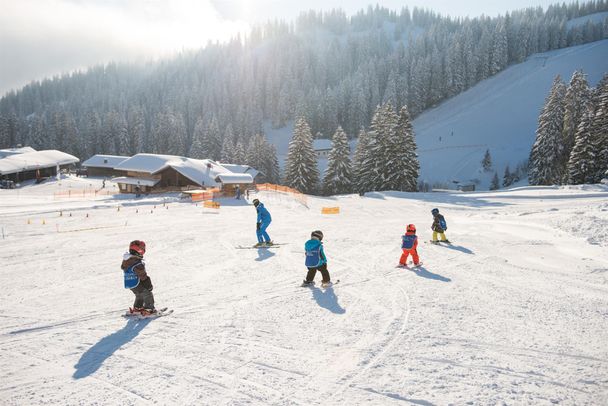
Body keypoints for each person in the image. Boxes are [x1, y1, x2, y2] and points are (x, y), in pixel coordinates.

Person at [121, 240, 156, 315]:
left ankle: (138, 308)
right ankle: (149, 309)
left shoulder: (127, 260)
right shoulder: (136, 262)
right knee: (147, 294)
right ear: (139, 250)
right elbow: (142, 275)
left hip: (130, 283)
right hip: (136, 283)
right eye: (143, 249)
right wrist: (148, 285)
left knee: (139, 294)